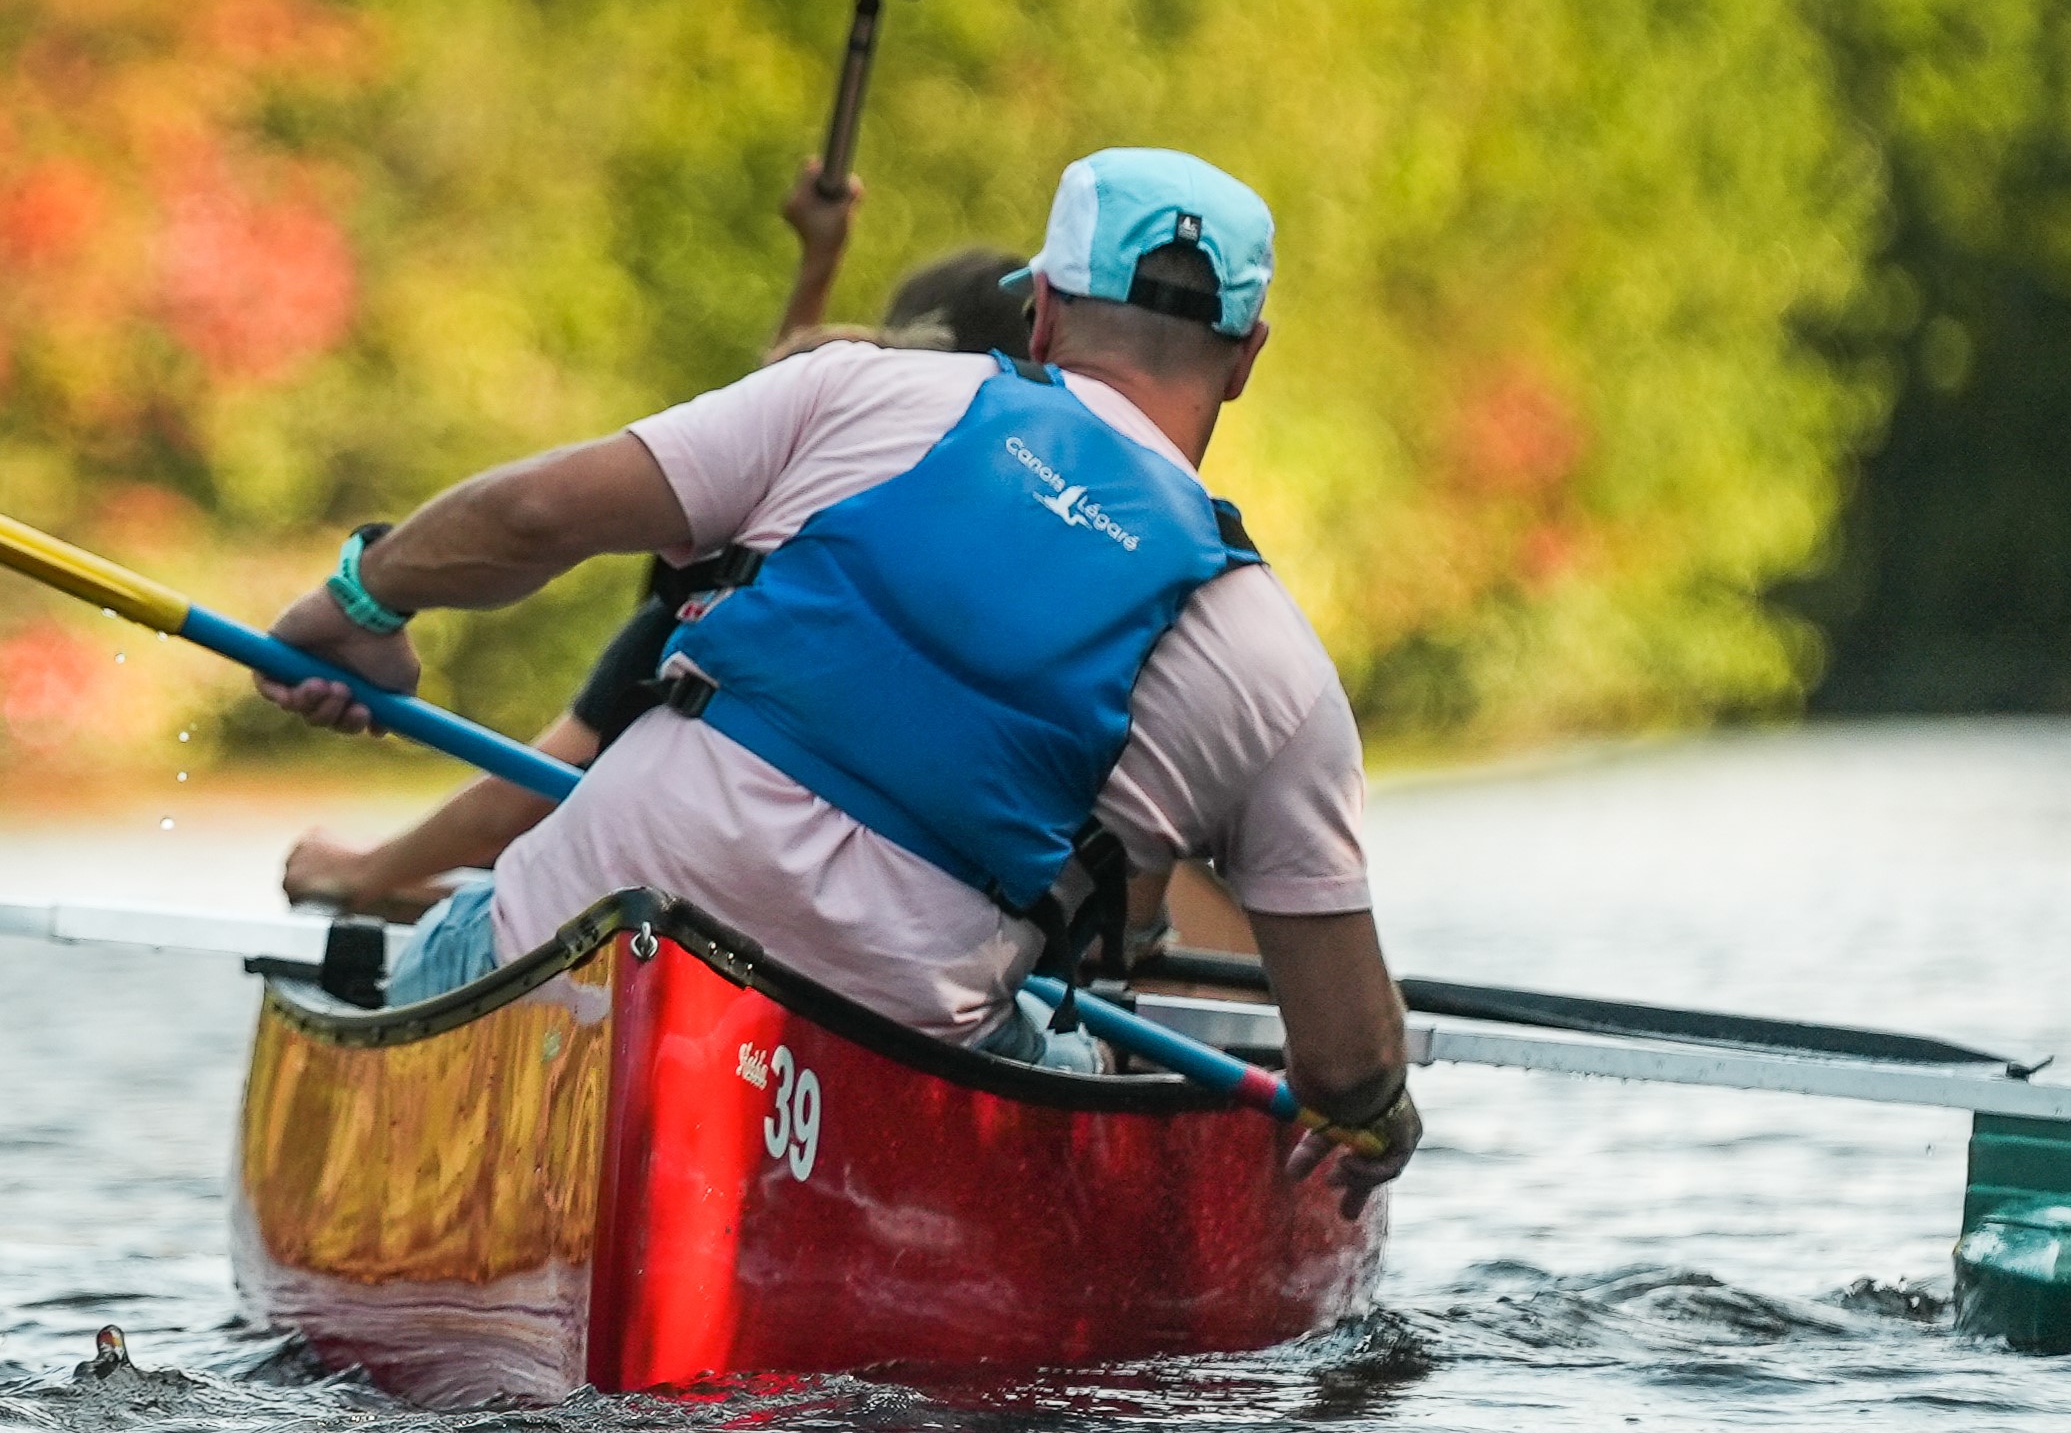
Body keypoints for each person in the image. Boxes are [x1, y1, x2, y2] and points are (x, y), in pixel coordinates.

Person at [252, 148, 1420, 1215]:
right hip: (870, 1084)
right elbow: (1348, 1061)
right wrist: (1379, 1116)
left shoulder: (853, 392)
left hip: (560, 958)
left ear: (1046, 307)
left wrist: (363, 603)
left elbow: (530, 513)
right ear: (1250, 356)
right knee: (1084, 1062)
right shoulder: (1278, 672)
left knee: (463, 930)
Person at [281, 169, 1031, 922]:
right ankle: (434, 886)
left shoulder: (773, 557)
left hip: (687, 877)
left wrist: (359, 874)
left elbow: (540, 780)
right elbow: (782, 419)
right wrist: (817, 262)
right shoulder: (1033, 563)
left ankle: (413, 886)